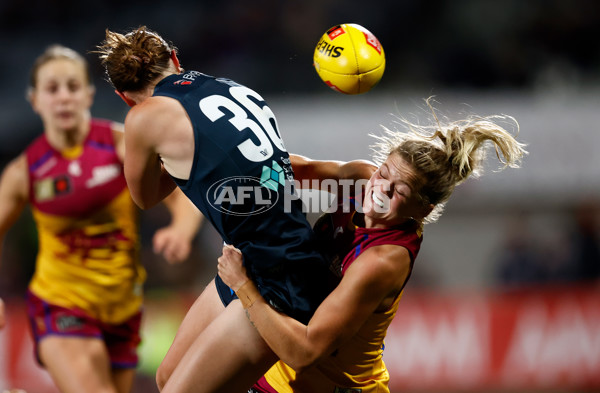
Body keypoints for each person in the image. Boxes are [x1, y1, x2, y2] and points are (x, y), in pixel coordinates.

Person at [95, 26, 345, 393]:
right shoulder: (233, 87)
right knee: (167, 377)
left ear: (124, 97)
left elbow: (145, 197)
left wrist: (158, 156)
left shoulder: (145, 117)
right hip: (258, 258)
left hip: (276, 275)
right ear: (176, 61)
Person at [217, 104, 528, 393]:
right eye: (383, 173)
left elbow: (305, 352)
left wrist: (243, 285)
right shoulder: (362, 179)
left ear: (422, 209)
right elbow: (298, 169)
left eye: (398, 191)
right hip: (281, 368)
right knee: (168, 379)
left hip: (331, 384)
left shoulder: (382, 259)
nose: (380, 189)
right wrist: (227, 154)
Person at [0, 45, 203, 393]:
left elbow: (183, 193)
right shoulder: (25, 170)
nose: (64, 97)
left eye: (73, 87)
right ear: (35, 100)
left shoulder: (120, 145)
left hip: (123, 308)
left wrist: (181, 230)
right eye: (52, 89)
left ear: (89, 94)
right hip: (60, 304)